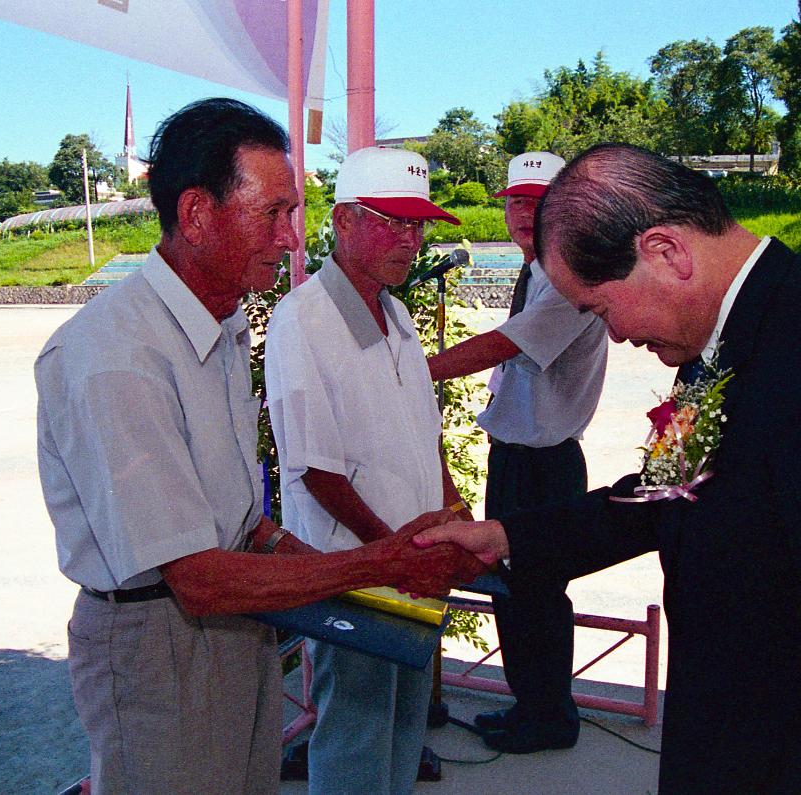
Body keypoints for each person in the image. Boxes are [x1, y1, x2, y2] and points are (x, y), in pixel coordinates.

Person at [416, 144, 801, 792]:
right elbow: (664, 489)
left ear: (666, 252)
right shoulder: (710, 355)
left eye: (604, 308)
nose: (614, 337)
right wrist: (508, 537)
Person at [34, 99, 483, 795]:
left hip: (241, 625)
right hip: (160, 638)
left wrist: (377, 580)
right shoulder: (116, 354)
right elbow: (199, 576)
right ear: (197, 214)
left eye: (292, 213)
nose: (289, 239)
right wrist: (378, 561)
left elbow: (248, 524)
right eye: (271, 214)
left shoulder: (224, 325)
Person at [265, 146, 472, 795]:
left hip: (413, 570)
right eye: (393, 221)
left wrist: (453, 519)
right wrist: (391, 553)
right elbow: (316, 472)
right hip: (356, 573)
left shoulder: (397, 313)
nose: (410, 240)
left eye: (417, 225)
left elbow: (425, 435)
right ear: (345, 221)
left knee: (404, 732)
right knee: (355, 740)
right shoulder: (303, 320)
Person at [426, 151, 607, 753]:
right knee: (512, 587)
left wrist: (413, 370)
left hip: (545, 463)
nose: (525, 214)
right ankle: (529, 704)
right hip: (516, 455)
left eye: (540, 202)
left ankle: (551, 716)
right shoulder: (533, 271)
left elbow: (502, 345)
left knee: (540, 592)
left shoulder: (567, 275)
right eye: (516, 202)